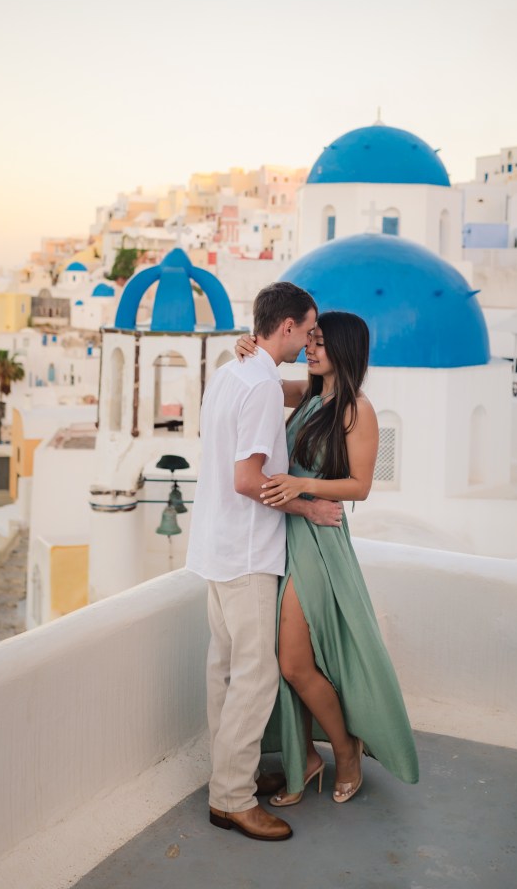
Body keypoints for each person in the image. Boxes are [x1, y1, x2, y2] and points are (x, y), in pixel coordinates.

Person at [235, 310, 419, 805]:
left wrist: (302, 485)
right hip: (285, 533)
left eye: (319, 342)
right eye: (309, 340)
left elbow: (360, 485)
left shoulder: (358, 409)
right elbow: (266, 385)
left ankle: (346, 751)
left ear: (343, 349)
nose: (310, 350)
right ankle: (307, 759)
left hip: (318, 540)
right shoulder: (310, 395)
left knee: (294, 663)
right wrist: (247, 351)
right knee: (285, 660)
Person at [186, 283, 344, 843]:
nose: (309, 341)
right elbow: (247, 479)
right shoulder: (257, 386)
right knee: (255, 676)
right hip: (248, 551)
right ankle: (232, 799)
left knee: (226, 671)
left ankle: (235, 775)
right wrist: (309, 507)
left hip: (215, 545)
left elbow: (296, 393)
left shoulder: (234, 374)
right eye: (307, 330)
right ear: (286, 327)